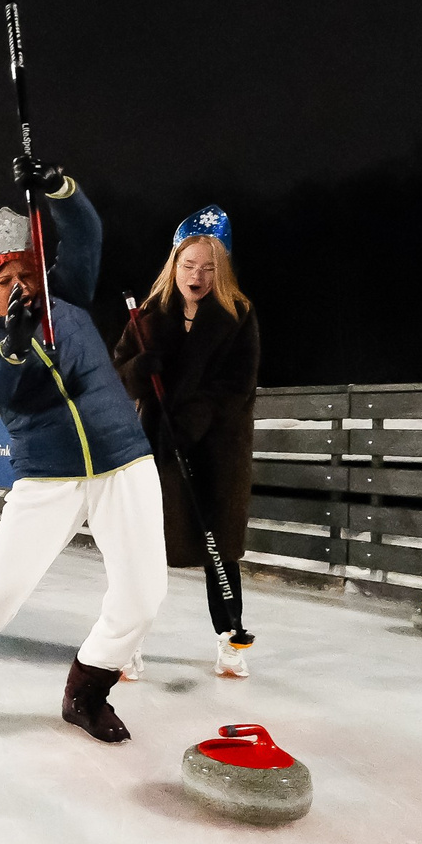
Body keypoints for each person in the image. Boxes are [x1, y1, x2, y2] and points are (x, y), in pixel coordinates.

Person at [0, 165, 167, 746]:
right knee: (0, 590)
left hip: (123, 458)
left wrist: (61, 190)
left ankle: (87, 692)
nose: (18, 284)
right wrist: (13, 346)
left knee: (144, 595)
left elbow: (85, 233)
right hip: (47, 475)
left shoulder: (65, 294)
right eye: (3, 278)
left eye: (25, 272)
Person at [116, 208, 262, 678]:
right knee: (145, 549)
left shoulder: (238, 316)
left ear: (223, 270)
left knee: (219, 548)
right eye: (188, 265)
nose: (197, 276)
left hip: (218, 449)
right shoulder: (148, 317)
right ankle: (125, 642)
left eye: (209, 267)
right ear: (174, 266)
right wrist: (139, 370)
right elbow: (119, 371)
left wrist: (195, 418)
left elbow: (238, 383)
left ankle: (231, 638)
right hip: (159, 449)